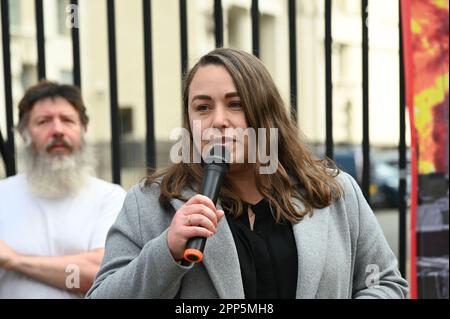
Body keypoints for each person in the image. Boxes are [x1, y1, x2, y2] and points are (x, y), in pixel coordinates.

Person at [86, 48, 408, 299]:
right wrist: (167, 251)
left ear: (265, 113)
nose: (219, 120)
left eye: (235, 104)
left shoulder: (334, 192)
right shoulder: (150, 203)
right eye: (203, 107)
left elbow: (387, 283)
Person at [0, 81, 126, 298]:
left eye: (67, 120)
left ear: (83, 129)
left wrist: (14, 260)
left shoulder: (110, 197)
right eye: (43, 121)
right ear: (23, 133)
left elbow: (100, 277)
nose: (57, 130)